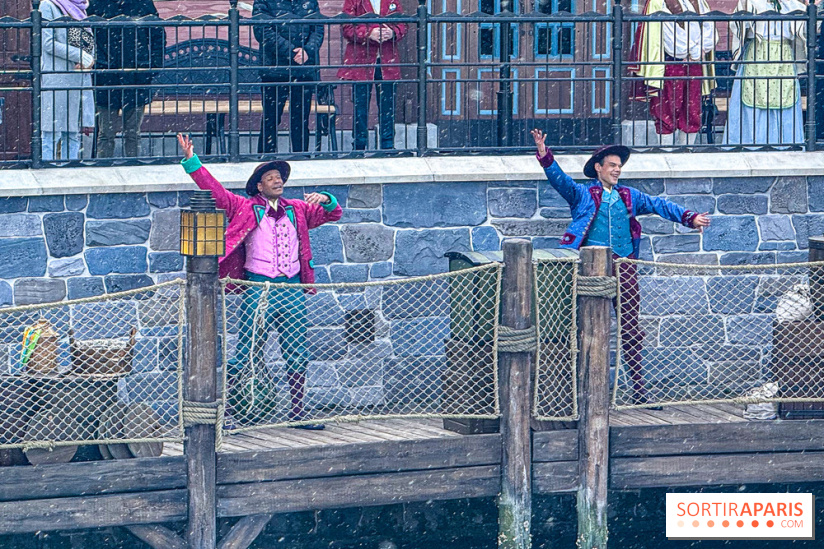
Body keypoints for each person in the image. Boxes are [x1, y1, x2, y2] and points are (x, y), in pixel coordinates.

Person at [530, 129, 711, 407]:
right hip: (589, 269)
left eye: (619, 166)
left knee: (630, 328)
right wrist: (544, 153)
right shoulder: (582, 194)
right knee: (583, 327)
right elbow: (560, 181)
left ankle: (639, 393)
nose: (617, 170)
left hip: (624, 266)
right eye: (612, 165)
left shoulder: (630, 195)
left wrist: (690, 218)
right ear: (599, 168)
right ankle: (580, 393)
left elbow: (659, 205)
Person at [177, 133, 342, 429]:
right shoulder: (244, 207)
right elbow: (215, 191)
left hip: (292, 288)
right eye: (271, 178)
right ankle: (225, 413)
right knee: (247, 351)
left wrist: (327, 198)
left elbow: (334, 214)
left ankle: (297, 412)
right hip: (259, 287)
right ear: (259, 186)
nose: (278, 181)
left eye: (279, 177)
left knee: (298, 350)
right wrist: (192, 161)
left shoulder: (298, 209)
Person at [628, 0, 717, 146]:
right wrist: (685, 49)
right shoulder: (658, 2)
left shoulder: (700, 2)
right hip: (670, 63)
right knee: (667, 108)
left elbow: (709, 27)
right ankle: (666, 151)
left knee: (692, 108)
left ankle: (687, 149)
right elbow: (665, 32)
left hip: (695, 62)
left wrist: (699, 49)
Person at [723, 0, 806, 146]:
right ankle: (751, 141)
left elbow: (805, 26)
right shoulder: (751, 2)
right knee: (754, 94)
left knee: (783, 95)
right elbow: (737, 24)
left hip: (782, 53)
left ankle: (783, 142)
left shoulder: (791, 4)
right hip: (757, 52)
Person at [88, 0, 165, 158]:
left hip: (136, 76)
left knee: (132, 133)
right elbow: (88, 35)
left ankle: (133, 168)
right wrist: (95, 62)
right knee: (106, 133)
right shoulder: (97, 4)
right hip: (107, 76)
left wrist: (153, 67)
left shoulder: (142, 4)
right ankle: (104, 170)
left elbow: (157, 35)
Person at [253, 0, 324, 153]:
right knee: (271, 119)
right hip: (274, 70)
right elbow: (262, 30)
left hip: (303, 70)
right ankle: (267, 160)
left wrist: (307, 50)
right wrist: (292, 51)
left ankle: (300, 157)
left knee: (300, 119)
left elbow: (318, 28)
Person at [338, 0, 407, 150]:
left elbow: (403, 24)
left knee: (388, 105)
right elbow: (346, 27)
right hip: (361, 60)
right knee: (360, 106)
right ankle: (359, 145)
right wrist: (369, 33)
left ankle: (387, 145)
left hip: (387, 59)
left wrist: (393, 32)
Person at [40, 0, 95, 161]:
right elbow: (48, 43)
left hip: (79, 76)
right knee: (52, 131)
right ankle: (48, 172)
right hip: (57, 77)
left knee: (72, 133)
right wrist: (79, 55)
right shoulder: (48, 5)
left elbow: (88, 42)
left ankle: (71, 171)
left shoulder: (80, 8)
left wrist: (90, 58)